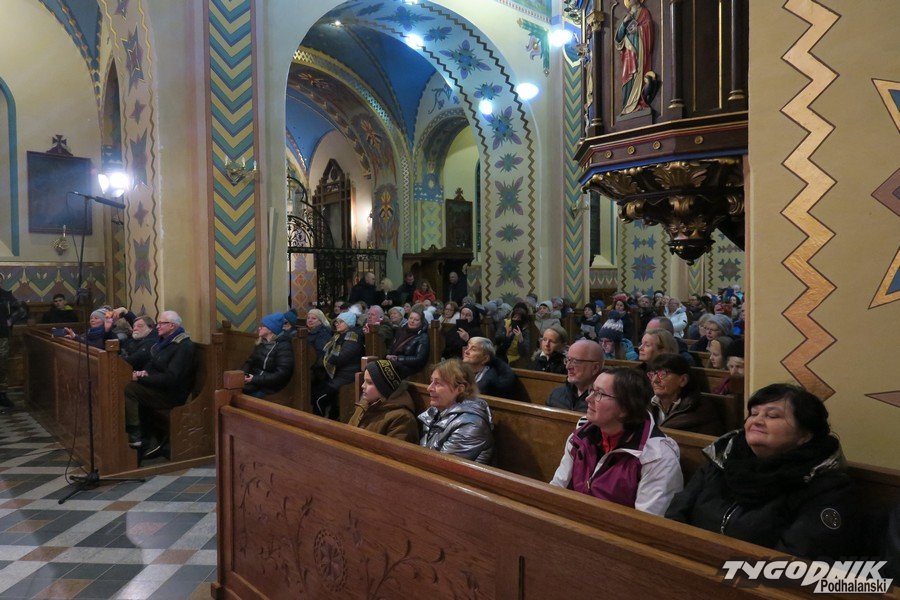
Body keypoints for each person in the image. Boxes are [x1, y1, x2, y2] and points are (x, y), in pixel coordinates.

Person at [666, 384, 860, 559]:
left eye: (772, 416)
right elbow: (676, 514)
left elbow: (795, 560)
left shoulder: (826, 487)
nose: (756, 421)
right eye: (753, 413)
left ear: (805, 434)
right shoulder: (724, 459)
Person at [550, 367, 683, 515]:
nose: (588, 398)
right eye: (591, 390)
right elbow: (557, 488)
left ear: (626, 407)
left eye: (599, 394)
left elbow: (646, 523)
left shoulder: (657, 458)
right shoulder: (580, 438)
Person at [124, 310, 195, 451]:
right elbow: (153, 363)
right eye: (158, 323)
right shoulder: (165, 342)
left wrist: (142, 378)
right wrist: (144, 372)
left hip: (171, 394)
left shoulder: (184, 346)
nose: (158, 326)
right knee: (127, 383)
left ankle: (135, 435)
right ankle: (144, 433)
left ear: (172, 326)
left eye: (162, 323)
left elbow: (171, 378)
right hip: (158, 388)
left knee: (129, 389)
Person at [419, 359, 494, 464]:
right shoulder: (435, 412)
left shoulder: (471, 424)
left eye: (438, 383)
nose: (429, 388)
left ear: (460, 389)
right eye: (431, 381)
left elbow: (442, 467)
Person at [647, 354, 725, 436]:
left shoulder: (699, 409)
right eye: (652, 374)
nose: (655, 380)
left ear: (683, 380)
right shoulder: (645, 404)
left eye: (662, 374)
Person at [350, 359, 419, 443]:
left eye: (369, 382)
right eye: (364, 381)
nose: (363, 385)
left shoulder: (402, 418)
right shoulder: (365, 403)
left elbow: (394, 450)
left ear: (384, 388)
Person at [313, 311, 364, 420]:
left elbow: (340, 357)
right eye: (336, 322)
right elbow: (325, 352)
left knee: (319, 398)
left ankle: (318, 424)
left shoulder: (353, 337)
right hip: (337, 374)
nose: (337, 324)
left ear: (348, 323)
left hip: (347, 376)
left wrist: (325, 360)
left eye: (341, 322)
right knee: (316, 392)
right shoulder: (338, 336)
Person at [242, 313, 295, 398]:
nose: (259, 328)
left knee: (246, 399)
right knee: (232, 391)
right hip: (256, 382)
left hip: (270, 387)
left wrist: (254, 379)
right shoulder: (261, 342)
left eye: (262, 326)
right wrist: (243, 374)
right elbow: (249, 361)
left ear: (271, 329)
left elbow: (282, 374)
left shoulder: (284, 346)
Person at [546, 339, 604, 412]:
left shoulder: (604, 402)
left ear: (595, 368)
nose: (568, 367)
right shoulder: (556, 395)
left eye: (575, 361)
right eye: (567, 360)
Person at [0, 278, 27, 410]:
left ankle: (2, 394)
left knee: (2, 364)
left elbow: (22, 310)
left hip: (2, 335)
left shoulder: (6, 295)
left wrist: (10, 321)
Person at [386, 309, 429, 379]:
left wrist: (398, 358)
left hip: (409, 367)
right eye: (410, 318)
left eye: (416, 320)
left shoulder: (423, 337)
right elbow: (391, 346)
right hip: (394, 362)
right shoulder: (401, 330)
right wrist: (387, 355)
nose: (412, 321)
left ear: (421, 322)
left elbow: (419, 359)